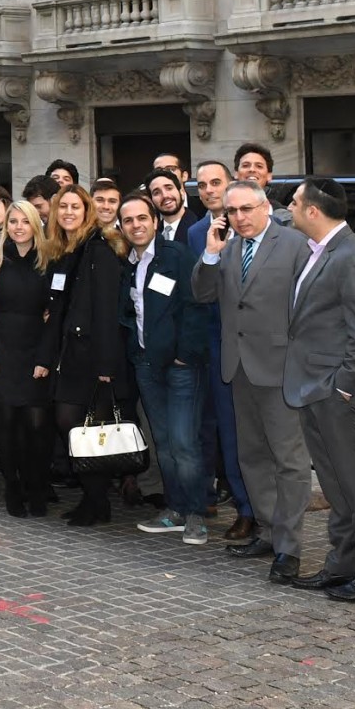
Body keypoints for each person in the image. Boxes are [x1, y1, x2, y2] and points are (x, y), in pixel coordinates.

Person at [193, 179, 312, 582]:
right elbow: (202, 294)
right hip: (239, 368)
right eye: (232, 211)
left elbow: (310, 306)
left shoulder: (294, 245)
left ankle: (289, 547)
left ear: (265, 208)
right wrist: (210, 253)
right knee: (252, 456)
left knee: (289, 460)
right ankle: (267, 528)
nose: (239, 217)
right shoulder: (227, 248)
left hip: (280, 369)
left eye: (246, 209)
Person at [283, 178, 355, 601]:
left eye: (295, 202)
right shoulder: (319, 251)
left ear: (313, 210)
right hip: (314, 387)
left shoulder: (353, 255)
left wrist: (344, 388)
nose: (289, 208)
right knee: (335, 484)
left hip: (337, 392)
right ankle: (342, 564)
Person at [120, 193, 215, 545]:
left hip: (181, 367)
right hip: (146, 365)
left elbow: (196, 306)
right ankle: (175, 509)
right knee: (163, 443)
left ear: (155, 221)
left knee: (184, 442)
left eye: (142, 218)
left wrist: (185, 355)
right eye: (128, 220)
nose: (136, 225)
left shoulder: (176, 256)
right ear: (122, 227)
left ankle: (196, 514)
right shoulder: (129, 264)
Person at [43, 186, 128, 526]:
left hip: (93, 356)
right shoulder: (63, 250)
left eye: (75, 206)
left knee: (84, 428)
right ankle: (92, 499)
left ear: (87, 210)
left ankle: (97, 501)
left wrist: (107, 365)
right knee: (73, 426)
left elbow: (107, 311)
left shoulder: (99, 250)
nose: (68, 212)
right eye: (63, 206)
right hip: (69, 353)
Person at [0, 199, 54, 516]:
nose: (18, 227)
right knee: (7, 424)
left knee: (37, 425)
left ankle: (37, 486)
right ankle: (13, 488)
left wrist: (46, 356)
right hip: (0, 352)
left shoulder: (49, 260)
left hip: (36, 352)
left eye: (25, 221)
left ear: (36, 225)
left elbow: (57, 310)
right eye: (13, 221)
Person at [187, 160, 254, 544]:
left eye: (217, 182)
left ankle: (266, 509)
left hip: (258, 347)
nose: (210, 190)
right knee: (227, 431)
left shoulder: (258, 226)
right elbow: (196, 289)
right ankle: (245, 509)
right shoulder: (197, 233)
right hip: (215, 343)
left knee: (259, 434)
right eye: (203, 185)